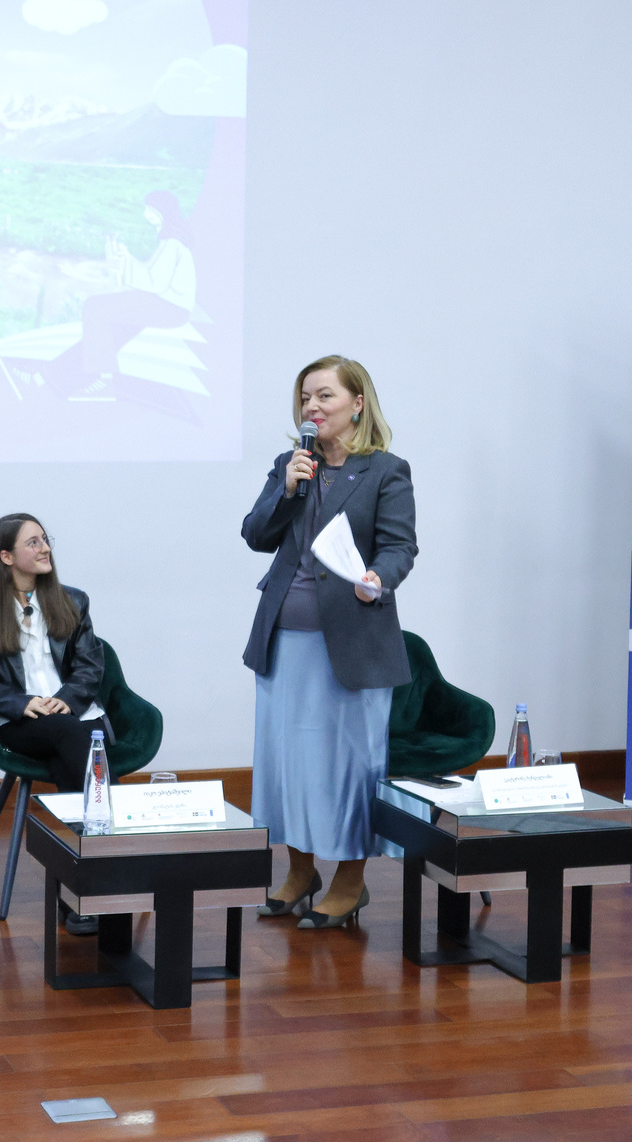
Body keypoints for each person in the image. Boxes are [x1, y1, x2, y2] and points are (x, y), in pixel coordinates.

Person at [241, 356, 416, 930]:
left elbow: (400, 546)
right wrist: (288, 489)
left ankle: (349, 881)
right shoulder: (291, 464)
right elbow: (255, 534)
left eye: (324, 396)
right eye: (305, 398)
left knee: (346, 769)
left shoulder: (385, 471)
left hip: (352, 643)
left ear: (357, 403)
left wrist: (379, 577)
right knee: (289, 765)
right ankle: (299, 872)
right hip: (283, 641)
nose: (311, 407)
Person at [0, 513, 110, 936]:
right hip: (21, 721)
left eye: (45, 539)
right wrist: (23, 703)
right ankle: (108, 862)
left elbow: (92, 665)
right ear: (6, 556)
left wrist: (66, 699)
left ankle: (76, 892)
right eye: (33, 542)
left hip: (74, 715)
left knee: (70, 748)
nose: (45, 549)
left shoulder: (73, 601)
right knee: (78, 741)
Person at [58, 190, 197, 399]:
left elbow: (155, 283)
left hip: (170, 307)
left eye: (152, 210)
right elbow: (151, 277)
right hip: (165, 303)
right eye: (147, 209)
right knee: (105, 318)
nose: (147, 214)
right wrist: (125, 259)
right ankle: (69, 375)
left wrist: (126, 260)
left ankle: (103, 380)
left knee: (95, 307)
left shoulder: (172, 244)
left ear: (164, 212)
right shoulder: (168, 242)